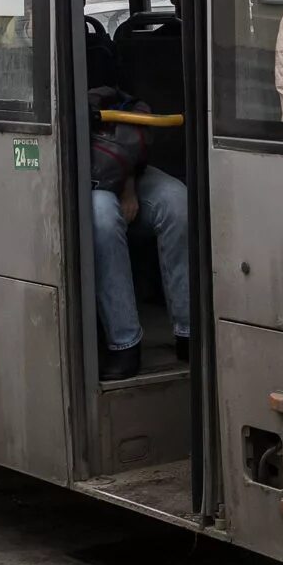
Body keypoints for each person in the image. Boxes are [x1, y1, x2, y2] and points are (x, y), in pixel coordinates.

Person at [89, 84, 191, 380]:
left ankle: (188, 331)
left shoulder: (104, 73)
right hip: (80, 180)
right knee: (103, 215)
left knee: (176, 201)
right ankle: (125, 342)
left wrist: (128, 183)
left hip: (118, 168)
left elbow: (122, 136)